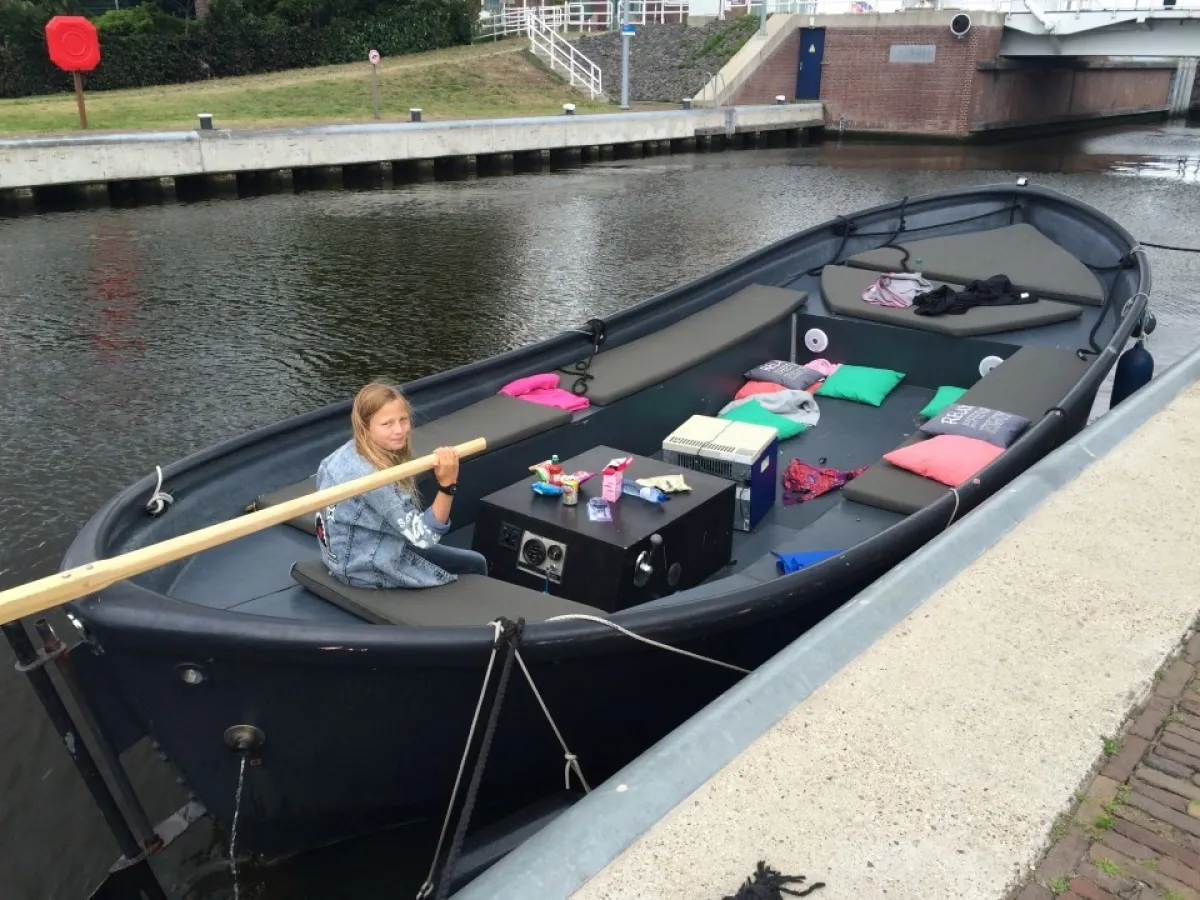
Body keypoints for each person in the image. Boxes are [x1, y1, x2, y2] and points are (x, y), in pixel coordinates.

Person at [313, 380, 488, 589]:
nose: (399, 430)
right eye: (387, 424)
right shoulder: (374, 481)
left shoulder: (339, 457)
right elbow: (424, 537)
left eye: (403, 420)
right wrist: (447, 484)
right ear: (364, 427)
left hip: (338, 556)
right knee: (477, 563)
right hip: (364, 568)